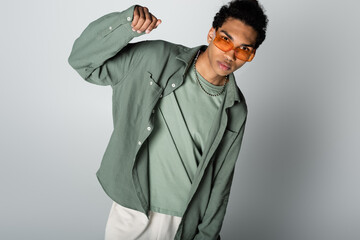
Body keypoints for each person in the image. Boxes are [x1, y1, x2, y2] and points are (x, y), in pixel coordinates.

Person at [68, 0, 268, 239]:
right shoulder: (156, 57)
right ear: (211, 34)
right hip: (133, 212)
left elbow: (221, 181)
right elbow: (82, 61)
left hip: (184, 222)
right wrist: (126, 23)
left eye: (244, 49)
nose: (231, 54)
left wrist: (206, 235)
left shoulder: (236, 108)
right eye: (225, 39)